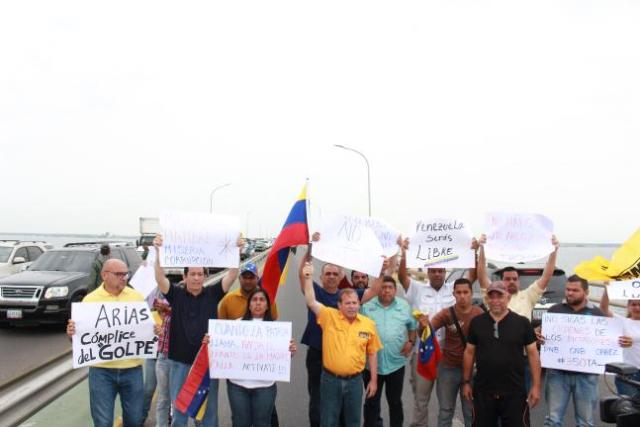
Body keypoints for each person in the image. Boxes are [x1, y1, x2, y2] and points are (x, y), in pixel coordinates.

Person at [153, 234, 242, 427]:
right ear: (184, 276)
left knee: (207, 415)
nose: (196, 278)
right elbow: (160, 277)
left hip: (206, 364)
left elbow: (233, 274)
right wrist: (158, 252)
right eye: (192, 274)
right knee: (179, 413)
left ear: (205, 276)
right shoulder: (175, 294)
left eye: (200, 274)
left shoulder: (213, 293)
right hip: (179, 364)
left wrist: (237, 250)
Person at [299, 232, 382, 427]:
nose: (351, 305)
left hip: (351, 371)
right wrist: (310, 251)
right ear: (339, 305)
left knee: (350, 414)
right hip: (320, 358)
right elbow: (308, 290)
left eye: (335, 273)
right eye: (328, 273)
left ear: (342, 276)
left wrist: (383, 267)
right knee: (320, 406)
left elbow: (374, 290)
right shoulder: (326, 309)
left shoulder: (352, 301)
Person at [66, 259, 147, 427]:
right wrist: (72, 333)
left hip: (132, 370)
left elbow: (147, 329)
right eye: (119, 274)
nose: (124, 278)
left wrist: (155, 331)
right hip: (102, 372)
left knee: (134, 420)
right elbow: (81, 338)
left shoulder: (137, 298)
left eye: (126, 274)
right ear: (104, 275)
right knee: (102, 422)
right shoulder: (90, 300)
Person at [398, 237, 458, 427]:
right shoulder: (417, 289)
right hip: (423, 353)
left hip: (447, 355)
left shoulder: (454, 289)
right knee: (421, 401)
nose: (437, 274)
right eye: (433, 271)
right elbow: (402, 277)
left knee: (446, 403)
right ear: (428, 272)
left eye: (440, 271)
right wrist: (404, 252)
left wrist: (475, 251)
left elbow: (472, 277)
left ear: (445, 272)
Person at [462, 281, 541, 427]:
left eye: (500, 296)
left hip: (514, 392)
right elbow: (469, 352)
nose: (495, 301)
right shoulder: (477, 323)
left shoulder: (522, 323)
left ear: (508, 298)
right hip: (483, 392)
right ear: (487, 299)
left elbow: (533, 354)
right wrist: (466, 382)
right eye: (491, 297)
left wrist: (536, 386)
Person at [219, 288, 297, 427]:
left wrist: (289, 351)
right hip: (237, 387)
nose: (258, 303)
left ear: (268, 305)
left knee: (263, 423)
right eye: (254, 300)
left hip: (265, 387)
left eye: (262, 300)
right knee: (240, 423)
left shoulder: (277, 331)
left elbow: (281, 357)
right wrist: (211, 340)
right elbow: (220, 345)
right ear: (249, 305)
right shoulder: (234, 326)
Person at [543, 275, 608, 427]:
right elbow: (542, 333)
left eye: (575, 290)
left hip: (587, 375)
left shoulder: (598, 314)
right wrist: (540, 335)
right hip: (557, 373)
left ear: (586, 292)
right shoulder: (554, 310)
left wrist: (618, 342)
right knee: (553, 419)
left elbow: (605, 341)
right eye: (567, 289)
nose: (570, 293)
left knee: (585, 422)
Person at [425, 278, 484, 427]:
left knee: (470, 411)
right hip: (448, 369)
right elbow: (427, 333)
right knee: (445, 411)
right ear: (454, 294)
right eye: (459, 292)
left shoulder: (480, 314)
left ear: (471, 293)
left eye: (466, 292)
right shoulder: (446, 314)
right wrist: (423, 326)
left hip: (472, 370)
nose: (462, 296)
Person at [359, 275, 416, 427]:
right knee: (371, 401)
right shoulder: (366, 306)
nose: (386, 291)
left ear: (395, 290)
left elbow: (412, 326)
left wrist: (411, 341)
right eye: (383, 287)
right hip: (371, 365)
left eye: (390, 288)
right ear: (378, 289)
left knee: (395, 401)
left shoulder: (404, 306)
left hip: (396, 363)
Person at [476, 234, 560, 320]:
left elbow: (546, 277)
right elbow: (482, 277)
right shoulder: (493, 297)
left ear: (518, 281)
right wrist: (482, 248)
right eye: (507, 279)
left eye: (515, 279)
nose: (512, 281)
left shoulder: (528, 296)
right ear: (501, 281)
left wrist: (554, 250)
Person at [600, 285, 640, 398]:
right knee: (627, 409)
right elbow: (603, 309)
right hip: (627, 372)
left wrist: (634, 342)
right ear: (628, 306)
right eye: (634, 304)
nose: (637, 308)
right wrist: (607, 289)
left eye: (639, 304)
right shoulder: (623, 322)